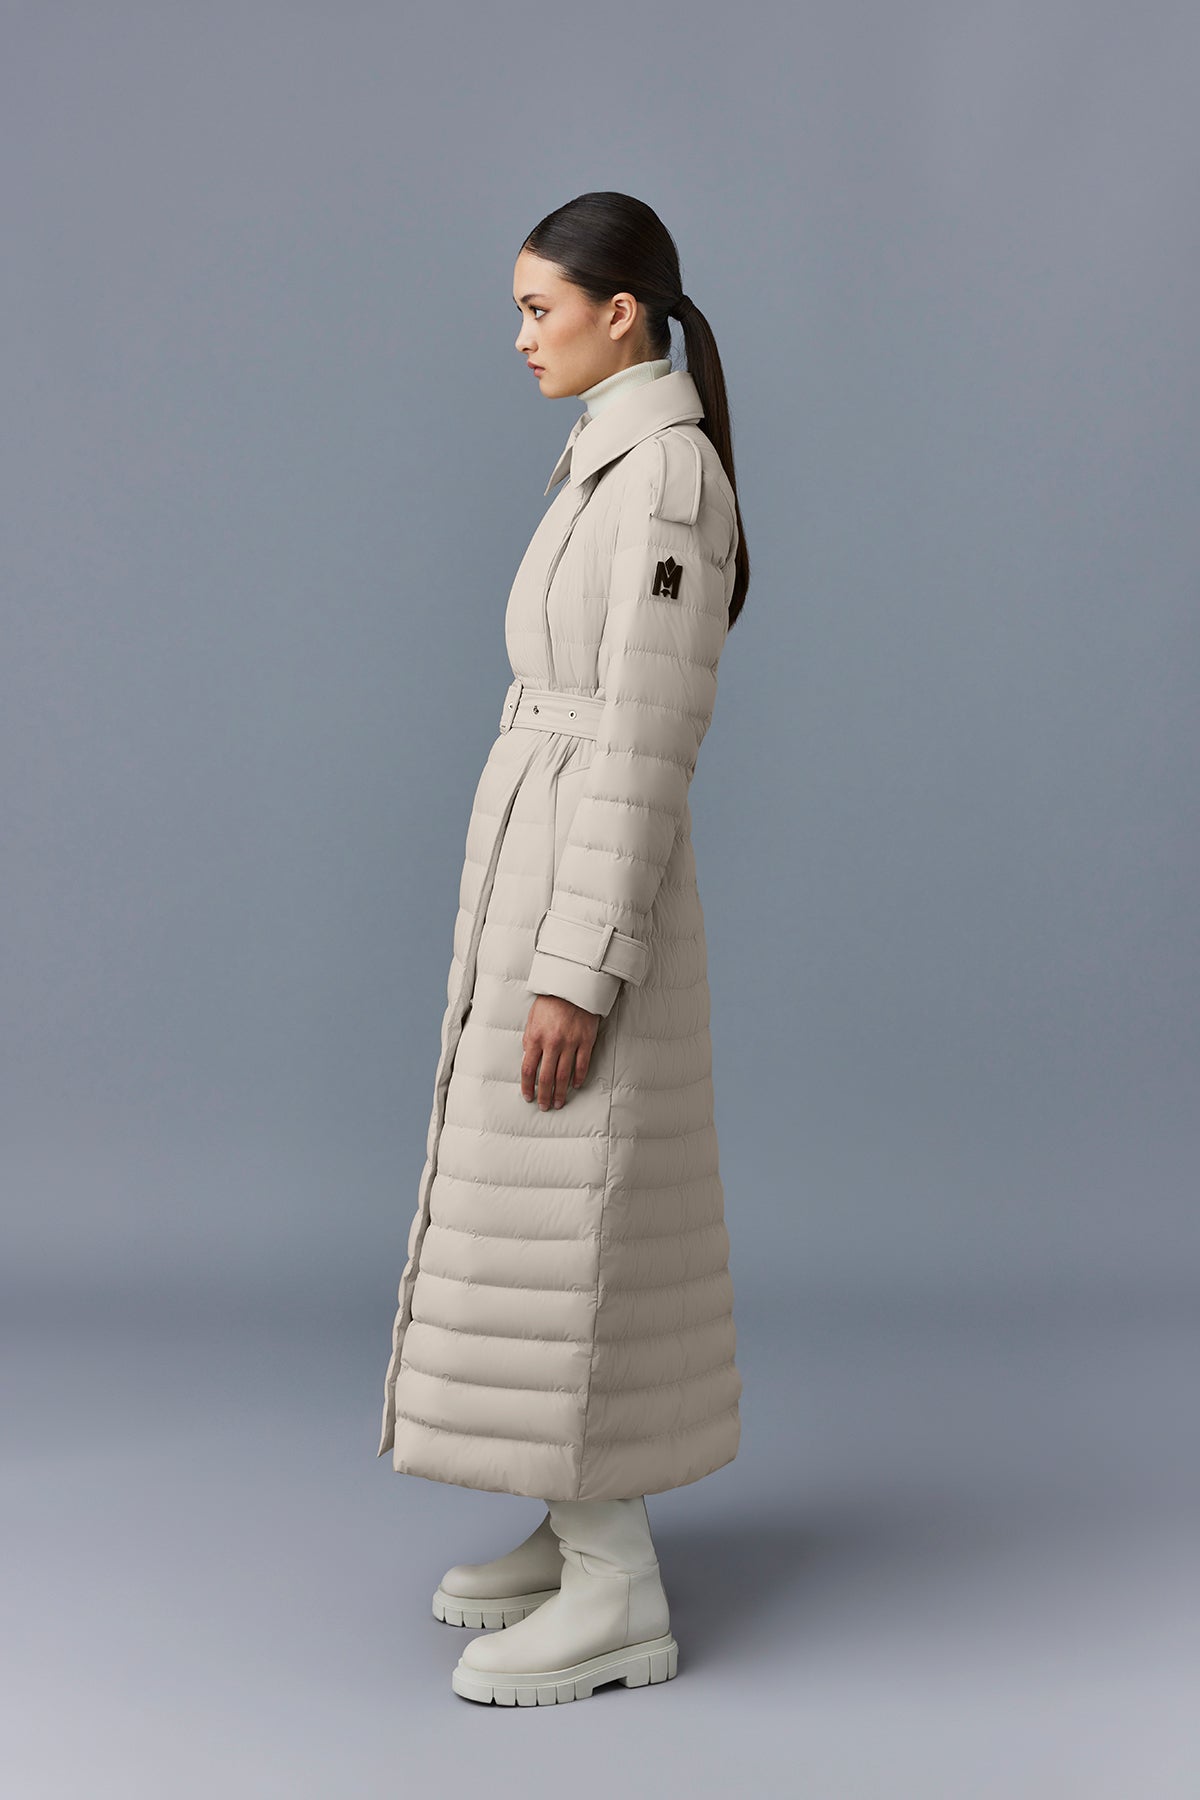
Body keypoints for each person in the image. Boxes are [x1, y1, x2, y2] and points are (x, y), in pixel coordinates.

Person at [377, 190, 752, 1706]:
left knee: (573, 1220)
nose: (523, 337)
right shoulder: (607, 454)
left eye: (541, 309)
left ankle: (618, 1588)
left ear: (622, 311)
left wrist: (579, 966)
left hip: (588, 892)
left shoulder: (663, 478)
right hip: (539, 867)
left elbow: (650, 742)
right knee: (533, 1224)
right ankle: (573, 1514)